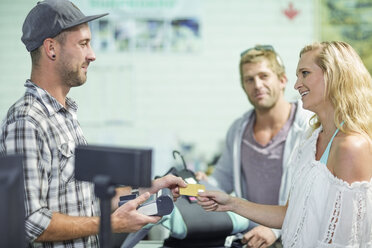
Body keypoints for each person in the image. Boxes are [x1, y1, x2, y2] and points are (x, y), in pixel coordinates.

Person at [0, 0, 186, 247]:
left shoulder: (64, 115)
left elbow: (89, 201)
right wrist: (113, 224)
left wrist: (151, 188)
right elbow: (31, 222)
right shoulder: (27, 120)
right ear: (51, 48)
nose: (92, 55)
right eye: (83, 43)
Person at [197, 41, 372, 247]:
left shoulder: (351, 147)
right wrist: (231, 203)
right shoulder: (312, 138)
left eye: (305, 73)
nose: (296, 85)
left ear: (334, 75)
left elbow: (346, 241)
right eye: (298, 75)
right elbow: (292, 214)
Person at [195, 45, 312, 247]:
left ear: (283, 80)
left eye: (264, 76)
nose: (257, 85)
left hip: (295, 238)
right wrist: (203, 184)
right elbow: (223, 178)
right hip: (249, 239)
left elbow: (315, 195)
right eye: (249, 79)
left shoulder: (309, 126)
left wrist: (275, 229)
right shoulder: (238, 129)